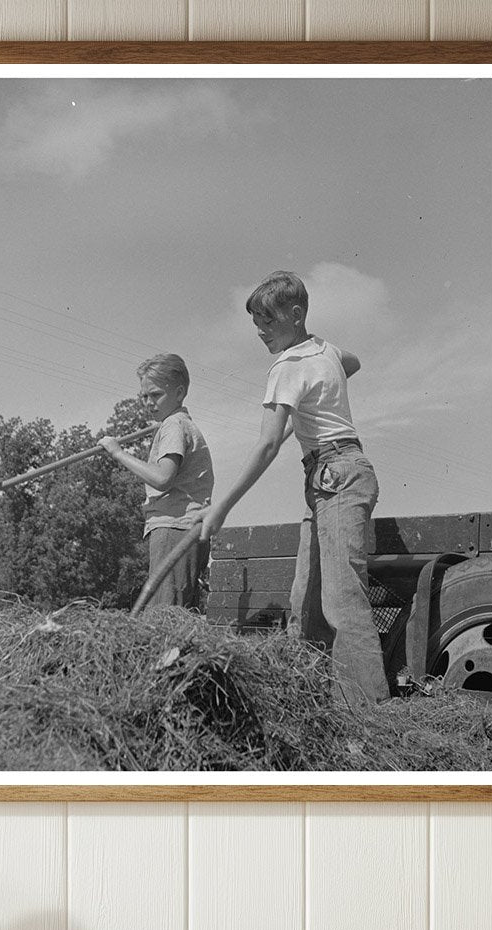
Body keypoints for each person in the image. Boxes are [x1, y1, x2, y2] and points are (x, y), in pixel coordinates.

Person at [196, 271, 388, 703]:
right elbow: (350, 363)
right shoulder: (324, 349)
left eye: (268, 321)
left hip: (335, 475)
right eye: (256, 323)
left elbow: (266, 446)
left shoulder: (285, 366)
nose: (260, 331)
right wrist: (316, 403)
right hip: (334, 474)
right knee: (306, 598)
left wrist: (221, 508)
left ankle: (371, 716)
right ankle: (316, 701)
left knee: (341, 603)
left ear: (295, 314)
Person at [99, 354, 214, 609]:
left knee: (164, 614)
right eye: (144, 397)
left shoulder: (174, 426)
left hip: (175, 527)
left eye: (156, 395)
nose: (148, 403)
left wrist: (118, 453)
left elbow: (163, 478)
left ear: (180, 392)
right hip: (187, 529)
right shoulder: (178, 424)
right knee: (179, 614)